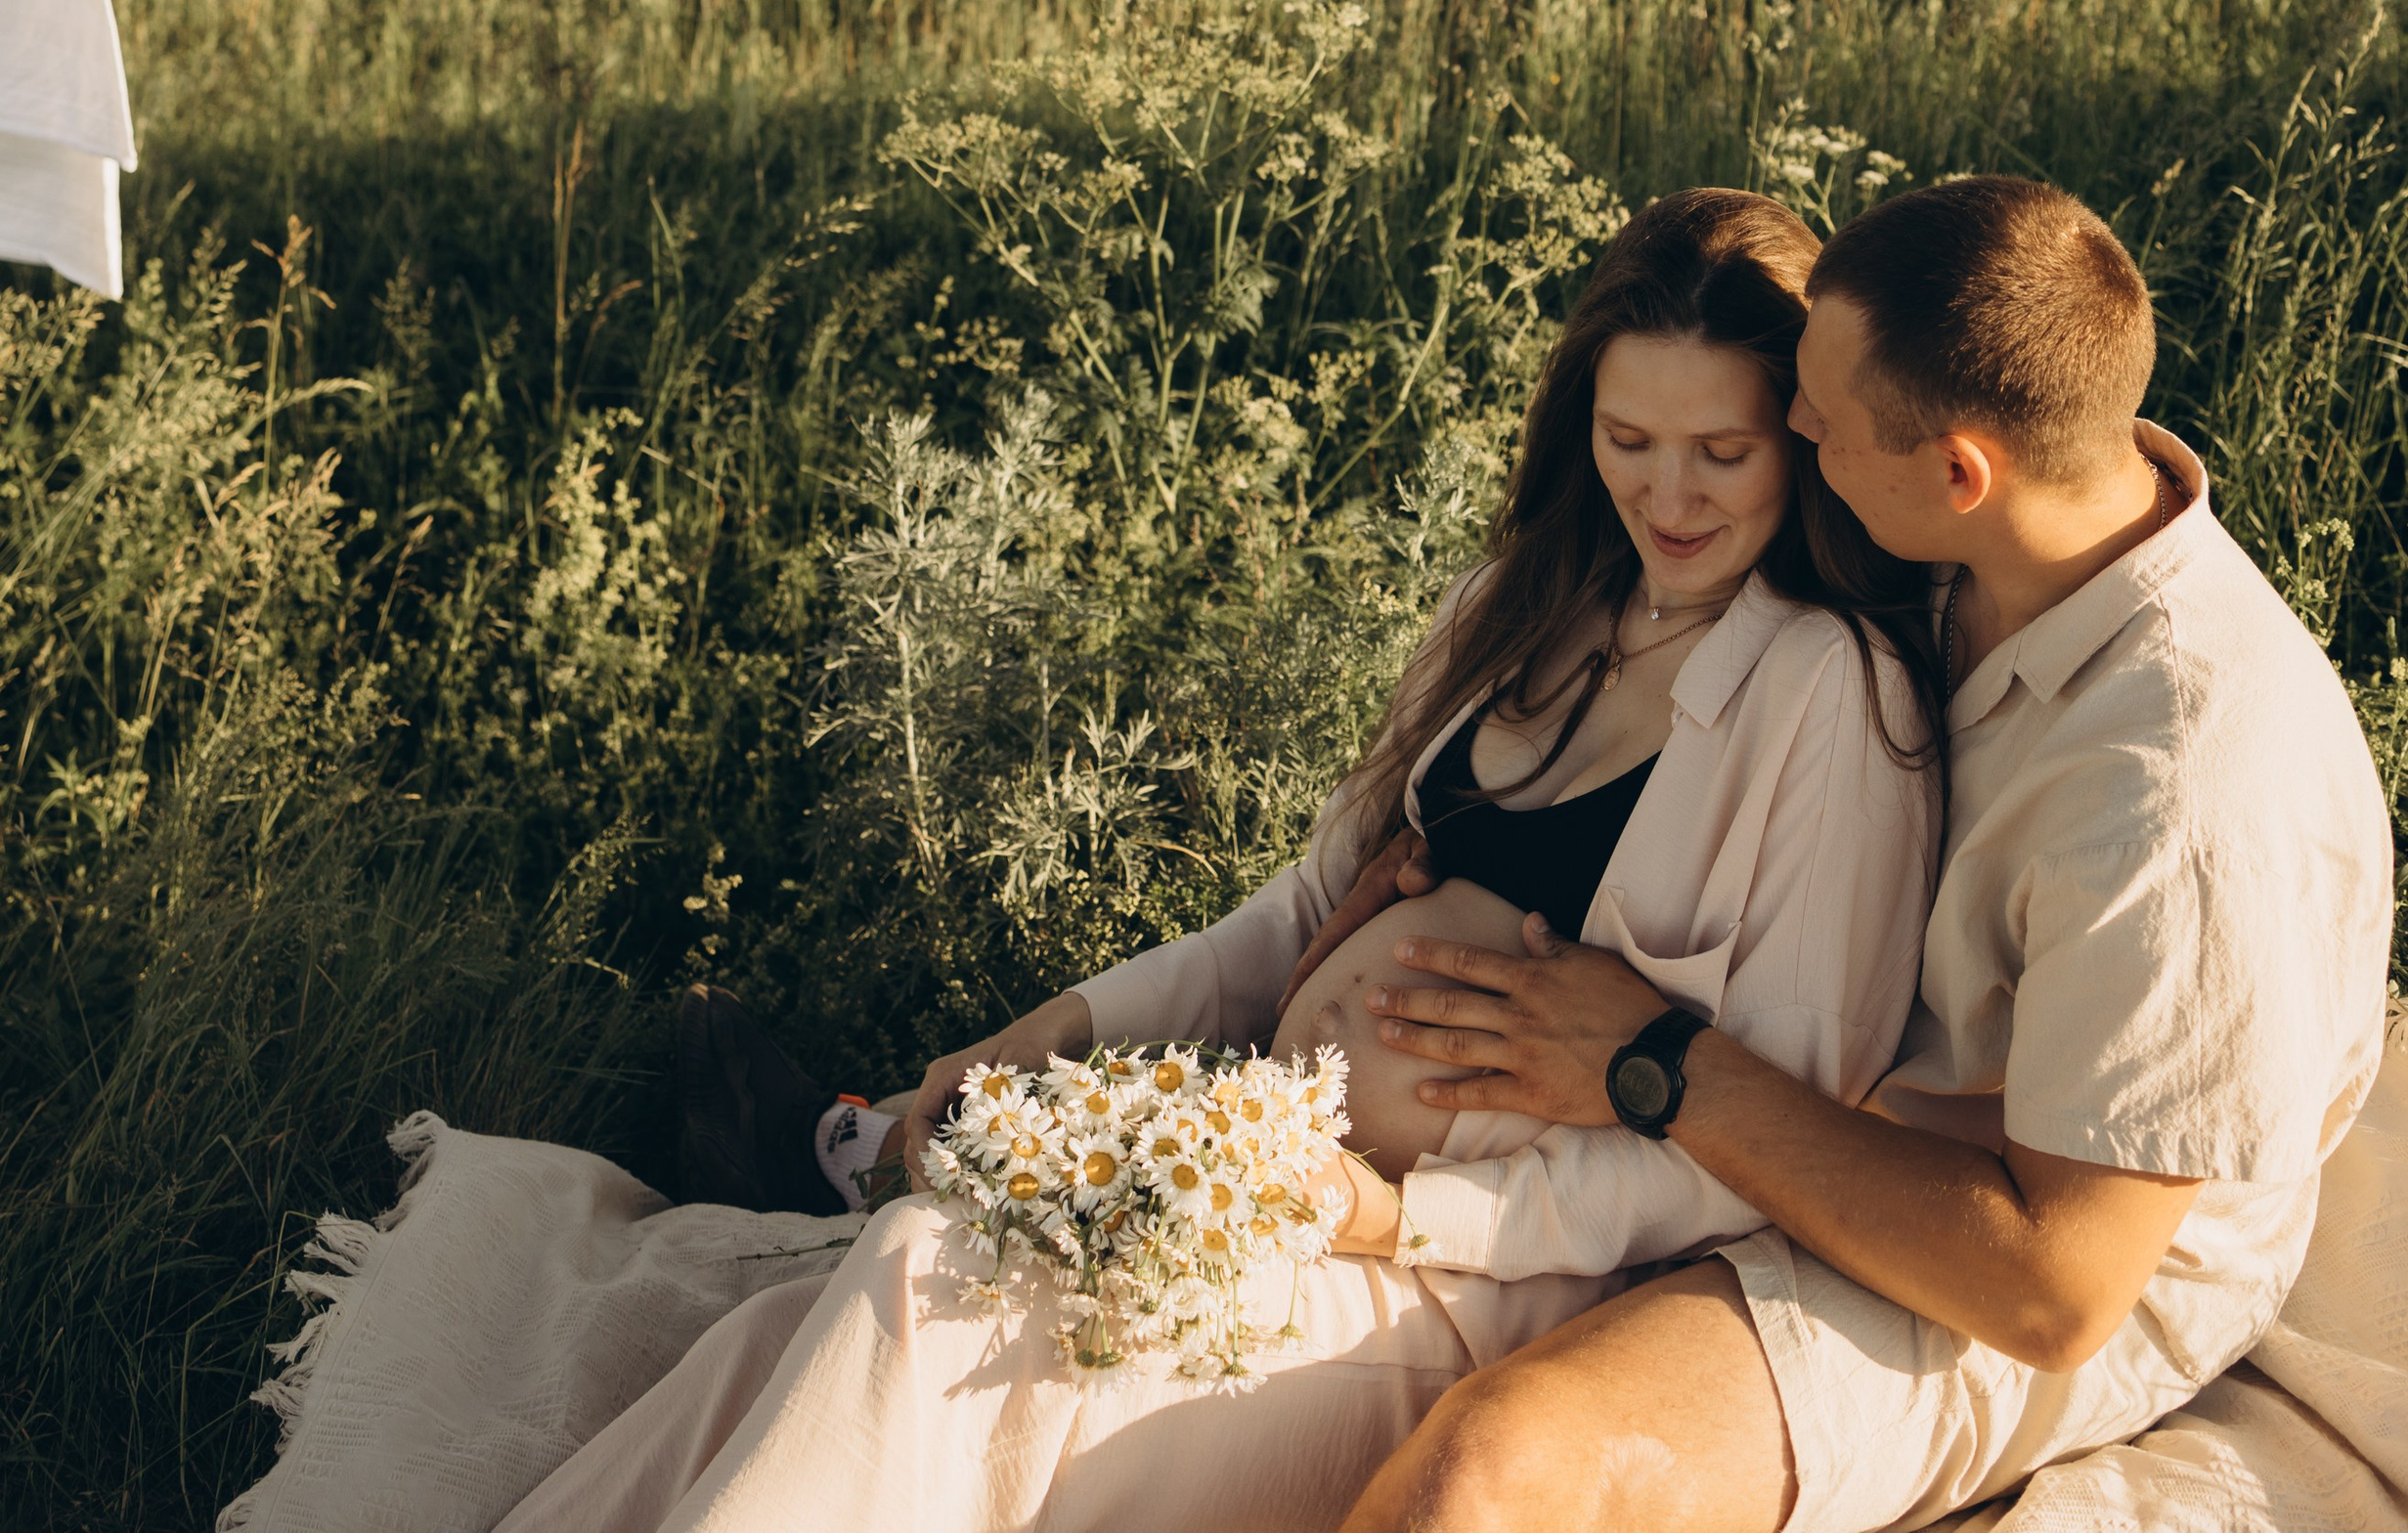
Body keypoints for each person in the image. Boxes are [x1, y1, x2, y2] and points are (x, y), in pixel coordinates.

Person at [493, 189, 1946, 1533]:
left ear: (1803, 438)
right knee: (810, 1324)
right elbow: (1301, 910)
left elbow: (1775, 1142)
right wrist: (1049, 1032)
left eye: (1722, 454)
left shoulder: (1826, 695)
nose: (1670, 497)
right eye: (1630, 443)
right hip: (1267, 1171)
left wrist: (1404, 1214)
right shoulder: (1519, 603)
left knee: (929, 1285)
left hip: (1478, 1279)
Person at [1335, 175, 2396, 1533]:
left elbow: (2055, 1290)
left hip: (2010, 1254)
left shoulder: (2184, 790)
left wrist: (1654, 1064)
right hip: (1820, 1112)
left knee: (1493, 1474)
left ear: (1960, 473)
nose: (1792, 424)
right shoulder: (1976, 547)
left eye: (1821, 420)